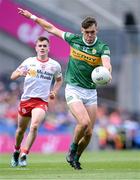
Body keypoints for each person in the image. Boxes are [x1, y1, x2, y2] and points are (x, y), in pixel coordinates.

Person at [18, 8, 112, 170]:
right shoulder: (74, 39)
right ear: (82, 31)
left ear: (97, 31)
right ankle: (72, 149)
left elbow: (106, 64)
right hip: (74, 89)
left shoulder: (103, 47)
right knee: (83, 122)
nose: (90, 35)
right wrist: (32, 16)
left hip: (90, 92)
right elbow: (51, 28)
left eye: (93, 32)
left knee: (89, 133)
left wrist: (107, 73)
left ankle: (75, 158)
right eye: (87, 32)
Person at [10, 36, 63, 167]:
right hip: (26, 100)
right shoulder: (29, 61)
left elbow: (59, 80)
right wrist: (20, 73)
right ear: (36, 48)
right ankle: (16, 151)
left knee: (34, 126)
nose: (42, 48)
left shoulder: (54, 65)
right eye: (40, 46)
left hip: (41, 101)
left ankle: (24, 154)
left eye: (45, 46)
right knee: (20, 130)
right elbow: (13, 76)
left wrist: (54, 92)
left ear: (48, 48)